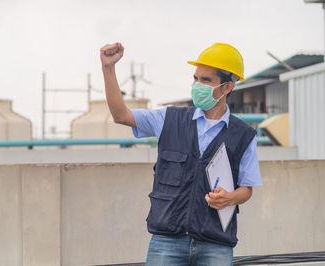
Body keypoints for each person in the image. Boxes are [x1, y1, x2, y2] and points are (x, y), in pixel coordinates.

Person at [100, 42, 262, 266]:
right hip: (167, 240)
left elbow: (247, 189)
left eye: (206, 80)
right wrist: (108, 68)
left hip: (216, 243)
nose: (197, 85)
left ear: (227, 88)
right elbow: (120, 115)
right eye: (196, 78)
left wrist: (230, 198)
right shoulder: (169, 118)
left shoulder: (244, 135)